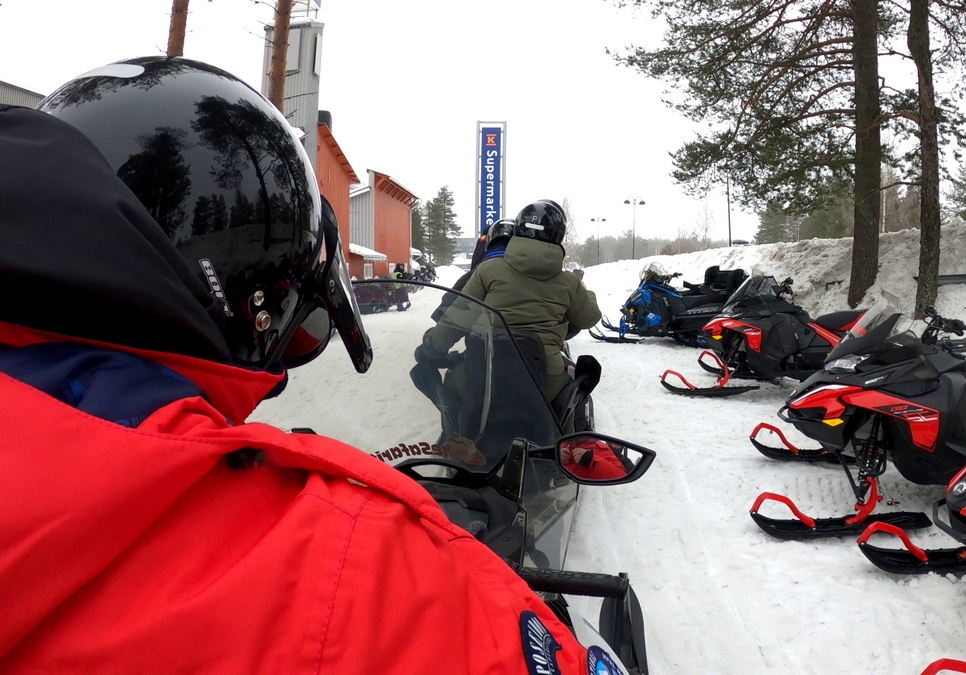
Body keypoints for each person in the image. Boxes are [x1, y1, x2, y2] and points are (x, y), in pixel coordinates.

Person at [1, 57, 596, 674]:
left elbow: (451, 318)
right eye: (300, 335)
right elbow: (588, 316)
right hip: (540, 373)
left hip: (480, 371)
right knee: (565, 391)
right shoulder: (352, 567)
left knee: (464, 393)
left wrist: (431, 352)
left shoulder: (490, 271)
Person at [457, 201, 601, 400]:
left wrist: (431, 347)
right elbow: (589, 318)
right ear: (558, 235)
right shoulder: (568, 282)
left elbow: (456, 316)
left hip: (488, 373)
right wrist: (586, 292)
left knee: (455, 387)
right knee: (573, 395)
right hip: (544, 380)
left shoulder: (487, 270)